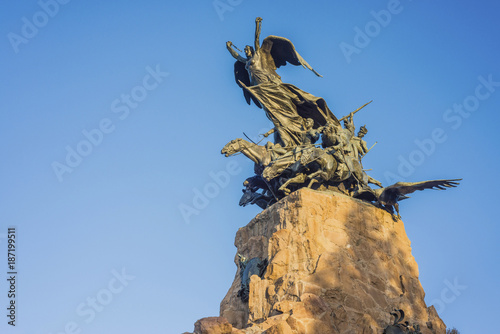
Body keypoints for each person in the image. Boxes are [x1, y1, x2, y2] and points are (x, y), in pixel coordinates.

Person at [226, 17, 339, 147]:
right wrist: (229, 48)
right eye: (244, 50)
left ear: (251, 50)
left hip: (269, 84)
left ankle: (301, 119)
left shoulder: (258, 55)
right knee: (272, 112)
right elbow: (236, 56)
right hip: (260, 90)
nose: (245, 51)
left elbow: (256, 40)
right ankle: (287, 132)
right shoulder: (246, 62)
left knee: (289, 100)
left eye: (247, 49)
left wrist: (258, 24)